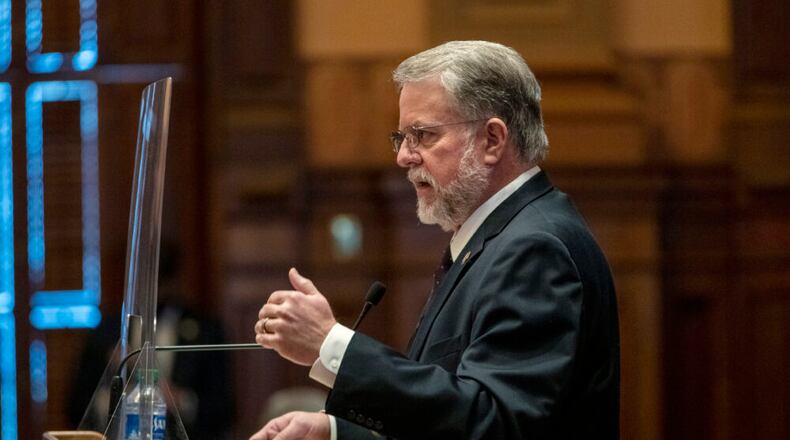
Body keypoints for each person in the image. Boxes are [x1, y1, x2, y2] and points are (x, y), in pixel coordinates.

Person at [251, 40, 619, 440]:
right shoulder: (497, 237)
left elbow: (494, 423)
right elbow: (452, 417)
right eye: (402, 138)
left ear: (492, 140)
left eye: (422, 135)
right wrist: (335, 432)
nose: (403, 157)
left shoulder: (534, 248)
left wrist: (331, 344)